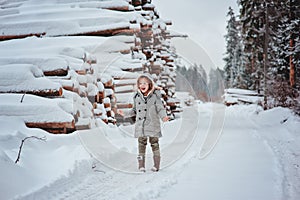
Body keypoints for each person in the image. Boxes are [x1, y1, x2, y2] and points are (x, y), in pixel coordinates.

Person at [118, 74, 169, 172]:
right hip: (141, 126)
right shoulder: (137, 97)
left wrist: (164, 117)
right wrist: (125, 113)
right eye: (140, 83)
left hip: (153, 125)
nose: (142, 85)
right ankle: (141, 165)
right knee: (141, 144)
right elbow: (134, 110)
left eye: (145, 83)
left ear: (149, 84)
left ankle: (156, 165)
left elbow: (160, 108)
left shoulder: (155, 96)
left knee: (154, 143)